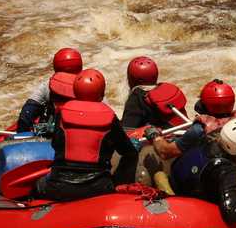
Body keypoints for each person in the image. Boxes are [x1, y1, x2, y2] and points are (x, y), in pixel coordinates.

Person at [34, 69, 138, 202]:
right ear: (101, 93)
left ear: (75, 91)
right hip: (99, 189)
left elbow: (56, 145)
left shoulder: (61, 113)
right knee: (132, 155)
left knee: (37, 186)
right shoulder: (110, 116)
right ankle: (120, 192)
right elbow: (128, 152)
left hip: (58, 187)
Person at [17, 47, 83, 132]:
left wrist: (22, 135)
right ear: (80, 68)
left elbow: (27, 114)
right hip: (75, 131)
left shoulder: (47, 86)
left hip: (52, 131)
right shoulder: (89, 86)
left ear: (56, 68)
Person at [120, 56, 161, 131]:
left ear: (131, 80)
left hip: (158, 137)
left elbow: (127, 131)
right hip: (180, 134)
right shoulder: (164, 89)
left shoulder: (136, 99)